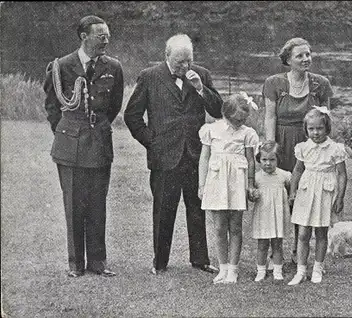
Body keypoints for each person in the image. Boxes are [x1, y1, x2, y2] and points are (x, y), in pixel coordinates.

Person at [124, 33, 223, 275]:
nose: (186, 67)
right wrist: (152, 142)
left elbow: (219, 110)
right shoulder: (150, 77)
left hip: (194, 155)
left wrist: (201, 89)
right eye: (180, 62)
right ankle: (160, 262)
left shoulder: (201, 74)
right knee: (163, 211)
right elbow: (132, 116)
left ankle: (200, 260)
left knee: (197, 208)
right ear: (167, 56)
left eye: (188, 61)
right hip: (164, 156)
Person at [43, 15, 123, 277]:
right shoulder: (62, 66)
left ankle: (98, 263)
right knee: (74, 205)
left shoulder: (114, 66)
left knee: (98, 204)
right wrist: (68, 132)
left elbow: (113, 107)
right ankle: (76, 264)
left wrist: (94, 127)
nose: (106, 41)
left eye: (107, 36)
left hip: (99, 143)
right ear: (84, 37)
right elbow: (53, 106)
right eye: (101, 36)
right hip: (70, 146)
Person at [263, 37, 334, 264]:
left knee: (303, 195)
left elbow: (326, 120)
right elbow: (270, 116)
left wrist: (324, 150)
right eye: (300, 56)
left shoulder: (320, 84)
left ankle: (297, 247)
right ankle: (276, 247)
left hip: (308, 146)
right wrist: (270, 148)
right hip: (282, 144)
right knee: (279, 195)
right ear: (288, 60)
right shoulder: (274, 83)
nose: (306, 59)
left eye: (308, 54)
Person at [198, 92, 259, 284]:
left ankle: (233, 269)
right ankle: (222, 268)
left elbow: (250, 160)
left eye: (243, 119)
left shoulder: (247, 133)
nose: (239, 123)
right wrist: (202, 184)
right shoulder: (211, 130)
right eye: (236, 120)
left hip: (237, 181)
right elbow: (204, 158)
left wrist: (250, 184)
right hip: (217, 181)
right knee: (219, 227)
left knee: (235, 227)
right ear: (225, 114)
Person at [287, 107, 348, 285]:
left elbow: (342, 174)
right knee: (303, 233)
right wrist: (293, 190)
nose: (315, 132)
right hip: (306, 190)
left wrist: (340, 197)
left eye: (319, 128)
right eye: (311, 129)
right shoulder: (303, 147)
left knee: (321, 232)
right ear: (306, 129)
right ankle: (300, 270)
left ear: (327, 128)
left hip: (325, 190)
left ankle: (318, 268)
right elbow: (298, 170)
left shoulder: (335, 149)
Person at [251, 141, 292, 282]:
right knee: (262, 244)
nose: (268, 163)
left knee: (277, 244)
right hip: (263, 214)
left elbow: (293, 187)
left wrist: (292, 194)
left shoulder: (284, 175)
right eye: (264, 160)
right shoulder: (256, 177)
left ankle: (277, 269)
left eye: (272, 160)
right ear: (259, 160)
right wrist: (252, 194)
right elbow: (250, 194)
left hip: (278, 215)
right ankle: (261, 270)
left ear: (278, 159)